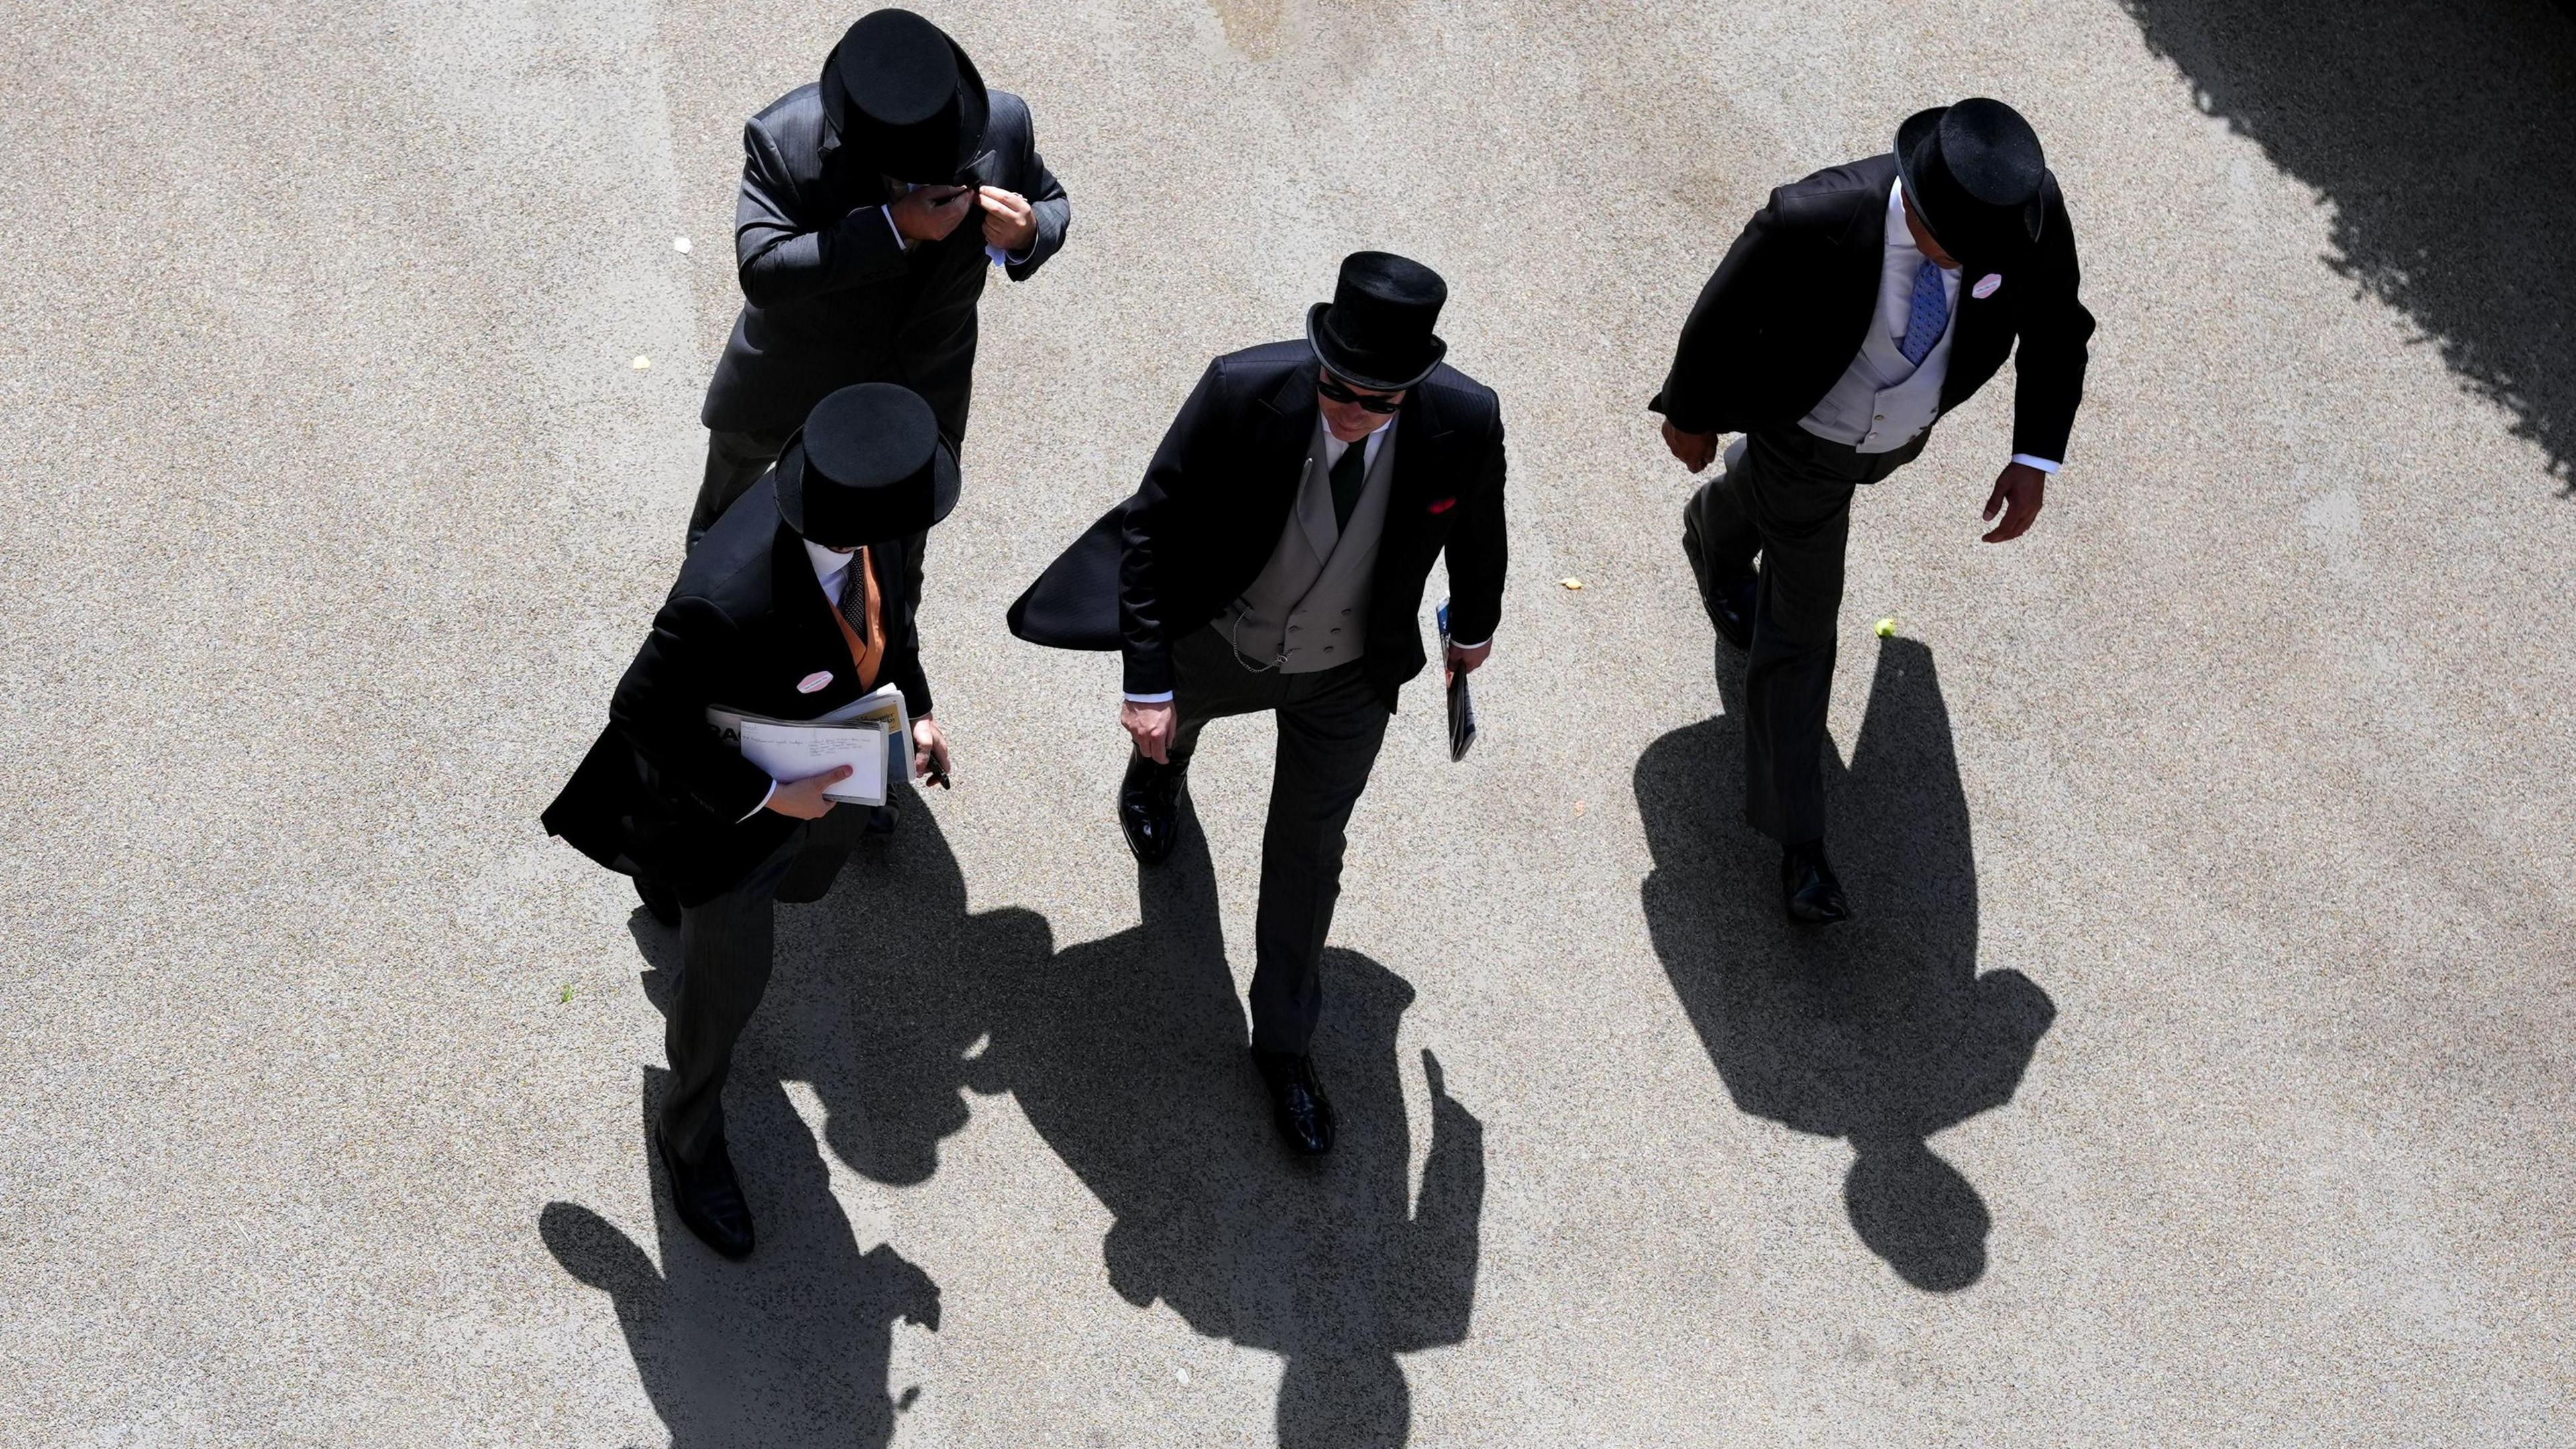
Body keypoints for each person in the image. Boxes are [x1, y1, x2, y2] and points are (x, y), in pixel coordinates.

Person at [1008, 252, 1509, 1157]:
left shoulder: (1465, 422)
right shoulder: (1241, 390)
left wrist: (1474, 626)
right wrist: (1150, 685)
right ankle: (1158, 776)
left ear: (1418, 385)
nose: (1349, 410)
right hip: (1221, 639)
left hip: (1349, 678)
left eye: (1377, 400)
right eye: (1336, 386)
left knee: (1309, 854)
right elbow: (1151, 530)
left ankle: (1283, 1046)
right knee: (1170, 734)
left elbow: (1479, 529)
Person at [1651, 98, 2094, 926]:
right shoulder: (1813, 215)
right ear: (1919, 211)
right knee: (1803, 624)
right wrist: (1690, 413)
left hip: (1890, 444)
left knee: (1785, 513)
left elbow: (2058, 327)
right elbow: (1721, 312)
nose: (1977, 271)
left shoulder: (2022, 213)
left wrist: (2034, 458)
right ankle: (1800, 846)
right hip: (1800, 428)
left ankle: (1715, 526)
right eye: (1960, 256)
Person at [543, 383, 959, 1258]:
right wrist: (768, 798)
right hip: (726, 826)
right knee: (726, 992)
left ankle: (664, 889)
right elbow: (644, 713)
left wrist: (913, 709)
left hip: (821, 759)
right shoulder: (724, 598)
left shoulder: (860, 524)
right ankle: (688, 1138)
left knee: (806, 867)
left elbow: (891, 625)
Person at [689, 7, 1070, 548]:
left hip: (920, 391)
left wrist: (1029, 231)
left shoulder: (1004, 125)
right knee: (722, 526)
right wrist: (892, 227)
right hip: (790, 380)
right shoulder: (784, 139)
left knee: (897, 551)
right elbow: (763, 269)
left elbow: (1051, 201)